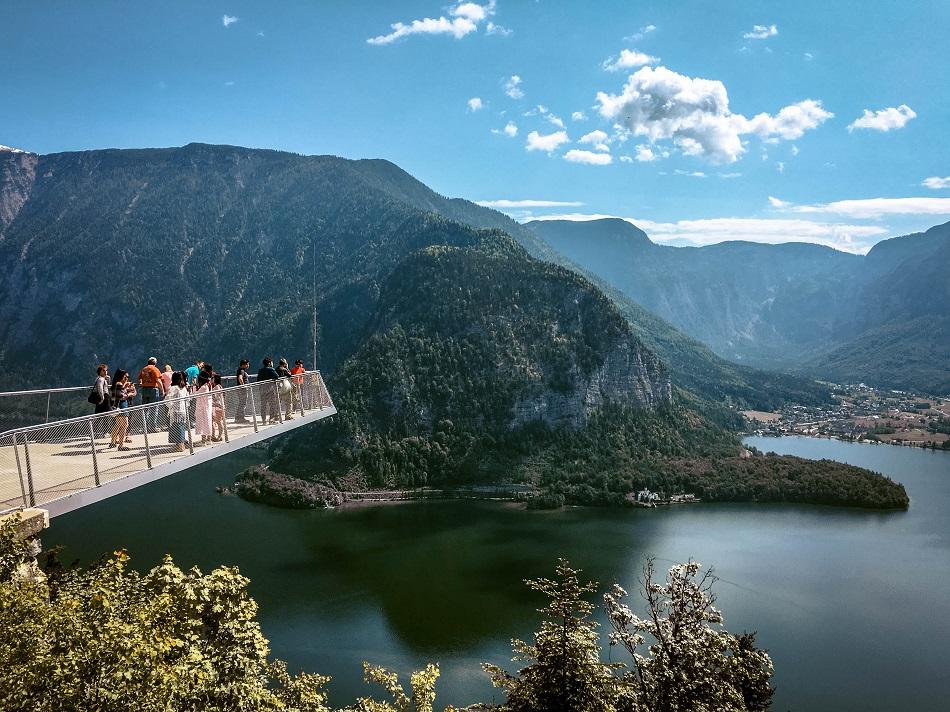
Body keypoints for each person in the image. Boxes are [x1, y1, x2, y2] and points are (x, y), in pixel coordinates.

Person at [109, 370, 136, 450]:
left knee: (117, 425)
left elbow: (119, 392)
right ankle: (121, 445)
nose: (126, 378)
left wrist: (125, 387)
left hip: (118, 406)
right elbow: (120, 395)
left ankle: (112, 442)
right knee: (125, 425)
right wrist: (129, 394)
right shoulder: (119, 383)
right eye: (125, 376)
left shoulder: (118, 384)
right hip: (122, 406)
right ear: (121, 376)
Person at [138, 357, 165, 433]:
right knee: (154, 409)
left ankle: (145, 428)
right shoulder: (154, 369)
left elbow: (139, 379)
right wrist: (162, 391)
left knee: (145, 409)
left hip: (144, 389)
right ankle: (153, 427)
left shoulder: (144, 369)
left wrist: (141, 383)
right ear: (155, 363)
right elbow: (158, 380)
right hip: (153, 389)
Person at [165, 371, 189, 452]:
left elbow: (167, 399)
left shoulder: (173, 388)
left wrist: (171, 406)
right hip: (183, 411)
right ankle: (181, 445)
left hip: (175, 411)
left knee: (177, 428)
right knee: (181, 427)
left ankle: (180, 446)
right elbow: (188, 399)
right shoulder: (183, 388)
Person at [257, 357, 280, 424]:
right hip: (270, 390)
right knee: (272, 405)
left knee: (263, 405)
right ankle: (271, 419)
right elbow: (277, 376)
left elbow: (258, 380)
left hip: (262, 390)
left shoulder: (260, 370)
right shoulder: (271, 369)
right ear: (269, 363)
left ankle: (264, 420)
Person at [92, 364, 112, 437]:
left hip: (101, 399)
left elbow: (108, 384)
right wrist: (102, 398)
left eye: (106, 370)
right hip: (104, 398)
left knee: (98, 415)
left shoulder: (99, 378)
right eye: (104, 370)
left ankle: (93, 432)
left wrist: (108, 378)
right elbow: (100, 388)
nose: (105, 372)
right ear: (100, 371)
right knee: (106, 415)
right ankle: (105, 432)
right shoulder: (101, 379)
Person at [194, 373, 213, 445]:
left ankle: (203, 441)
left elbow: (195, 394)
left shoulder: (203, 387)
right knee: (208, 422)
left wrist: (194, 388)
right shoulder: (209, 385)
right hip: (207, 407)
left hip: (202, 408)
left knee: (203, 423)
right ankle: (209, 439)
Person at [211, 374, 226, 442]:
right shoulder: (220, 386)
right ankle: (218, 436)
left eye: (213, 378)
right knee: (218, 421)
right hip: (219, 406)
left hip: (217, 406)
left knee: (218, 422)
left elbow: (215, 398)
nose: (211, 379)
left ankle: (219, 436)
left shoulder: (216, 387)